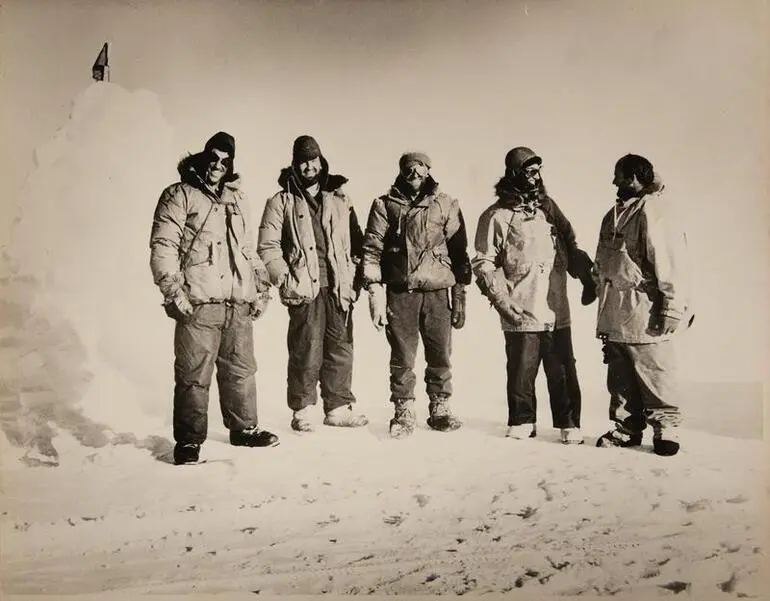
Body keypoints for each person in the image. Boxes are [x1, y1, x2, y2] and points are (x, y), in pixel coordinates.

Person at [150, 131, 279, 465]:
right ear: (202, 159)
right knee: (194, 373)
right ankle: (189, 441)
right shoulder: (179, 195)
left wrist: (261, 286)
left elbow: (247, 249)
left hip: (236, 302)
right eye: (213, 159)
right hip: (199, 300)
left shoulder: (238, 200)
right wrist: (172, 290)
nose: (218, 166)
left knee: (241, 369)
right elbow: (163, 246)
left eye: (226, 161)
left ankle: (244, 430)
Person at [472, 147, 595, 444]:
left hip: (555, 305)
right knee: (521, 368)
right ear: (514, 174)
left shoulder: (548, 208)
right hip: (521, 304)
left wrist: (587, 276)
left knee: (562, 367)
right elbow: (483, 262)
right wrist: (502, 302)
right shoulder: (496, 216)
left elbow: (570, 241)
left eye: (538, 171)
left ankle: (569, 423)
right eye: (529, 171)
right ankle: (522, 419)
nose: (535, 177)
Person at [257, 135, 368, 432]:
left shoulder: (341, 200)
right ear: (295, 164)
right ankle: (303, 409)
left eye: (313, 159)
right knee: (306, 348)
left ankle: (338, 407)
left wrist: (356, 278)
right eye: (303, 160)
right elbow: (268, 248)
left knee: (340, 347)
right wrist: (285, 279)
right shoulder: (281, 201)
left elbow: (358, 242)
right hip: (305, 288)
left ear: (322, 161)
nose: (309, 166)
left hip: (338, 287)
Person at [361, 152, 472, 438]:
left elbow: (459, 250)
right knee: (402, 355)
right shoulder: (385, 205)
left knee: (440, 352)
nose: (414, 173)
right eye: (408, 169)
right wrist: (374, 292)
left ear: (428, 171)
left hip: (437, 293)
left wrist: (459, 295)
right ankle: (403, 409)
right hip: (401, 292)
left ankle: (440, 406)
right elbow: (372, 250)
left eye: (420, 168)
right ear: (401, 171)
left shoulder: (445, 204)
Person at [593, 154, 693, 456]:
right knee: (620, 377)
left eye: (618, 176)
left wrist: (672, 306)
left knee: (655, 371)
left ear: (634, 177)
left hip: (645, 310)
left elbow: (669, 260)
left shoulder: (655, 210)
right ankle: (626, 428)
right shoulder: (615, 213)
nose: (614, 182)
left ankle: (666, 429)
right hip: (615, 310)